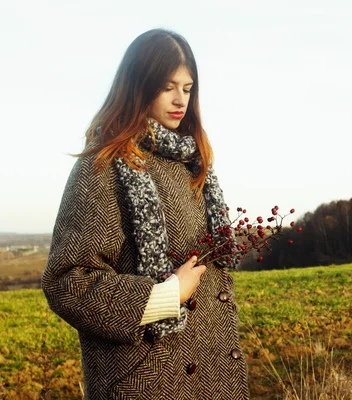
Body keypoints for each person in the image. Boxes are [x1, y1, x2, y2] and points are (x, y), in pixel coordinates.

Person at [41, 28, 250, 399]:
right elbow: (66, 282)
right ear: (138, 85)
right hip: (147, 381)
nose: (179, 99)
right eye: (168, 86)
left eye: (187, 89)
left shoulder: (194, 164)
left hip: (212, 375)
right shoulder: (104, 166)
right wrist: (165, 296)